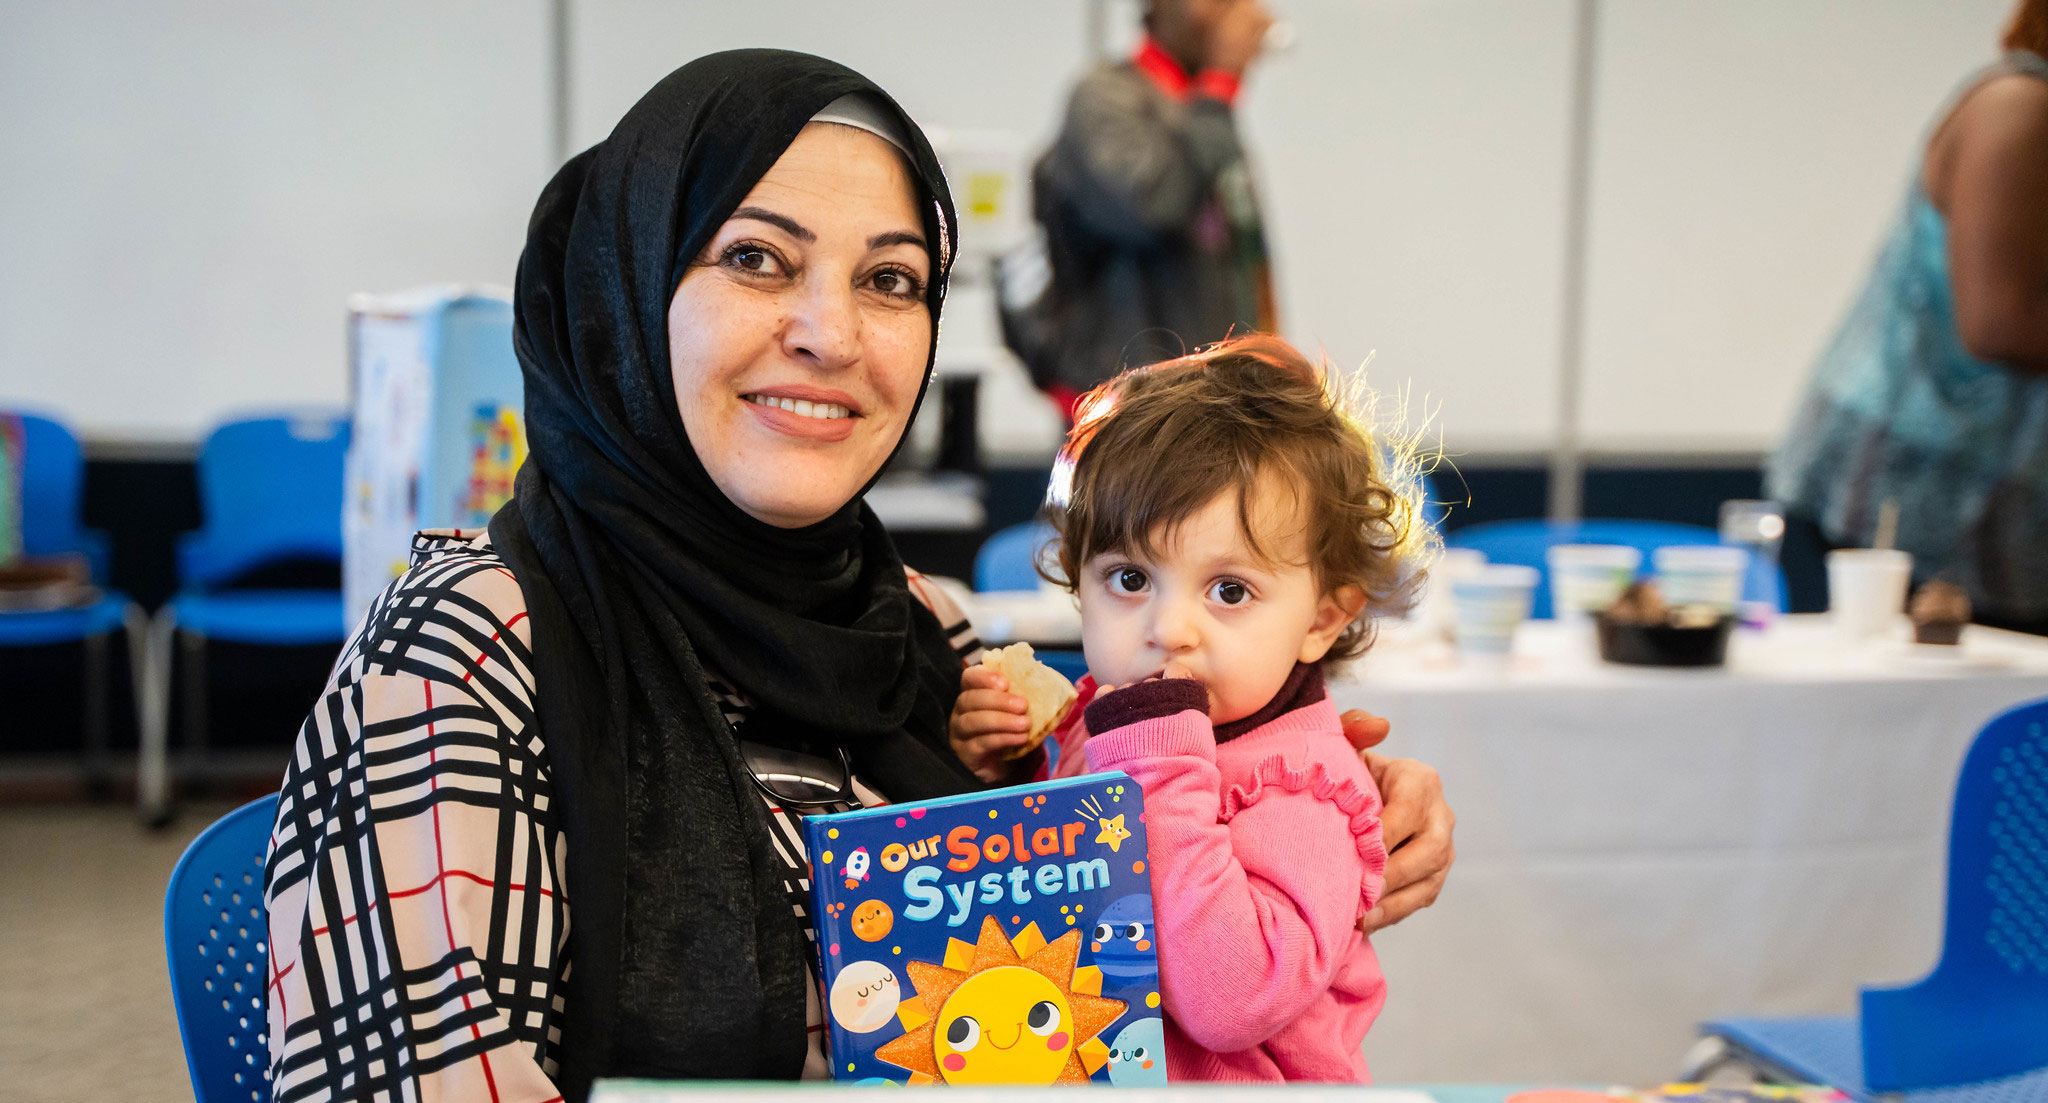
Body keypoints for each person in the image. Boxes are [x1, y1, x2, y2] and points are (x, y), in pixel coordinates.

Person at [263, 50, 1454, 1103]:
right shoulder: (469, 645)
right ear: (623, 290)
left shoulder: (910, 628)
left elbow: (1119, 841)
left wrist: (1318, 788)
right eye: (756, 259)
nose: (830, 332)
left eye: (889, 280)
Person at [955, 336, 1423, 1079]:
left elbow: (1230, 1002)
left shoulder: (1302, 791)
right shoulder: (1103, 720)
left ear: (1321, 621)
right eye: (1130, 578)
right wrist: (1006, 765)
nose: (1168, 628)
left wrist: (1155, 766)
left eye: (1229, 590)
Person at [1767, 0, 2048, 633]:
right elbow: (1999, 323)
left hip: (2010, 511)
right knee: (1919, 720)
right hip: (1920, 501)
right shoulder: (2020, 105)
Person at [1003, 0, 1279, 419]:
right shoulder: (1106, 97)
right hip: (1131, 414)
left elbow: (1242, 261)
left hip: (1211, 408)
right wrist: (1221, 84)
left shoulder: (1201, 114)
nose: (1230, 12)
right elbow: (1153, 205)